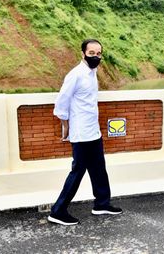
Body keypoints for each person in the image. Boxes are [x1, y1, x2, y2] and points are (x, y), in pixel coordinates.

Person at [48, 39, 122, 226]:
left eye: (98, 54)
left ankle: (101, 204)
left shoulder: (92, 73)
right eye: (91, 53)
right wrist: (65, 126)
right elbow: (62, 102)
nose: (96, 57)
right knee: (78, 171)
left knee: (98, 168)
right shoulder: (76, 74)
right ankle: (57, 211)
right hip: (81, 133)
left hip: (93, 131)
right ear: (83, 54)